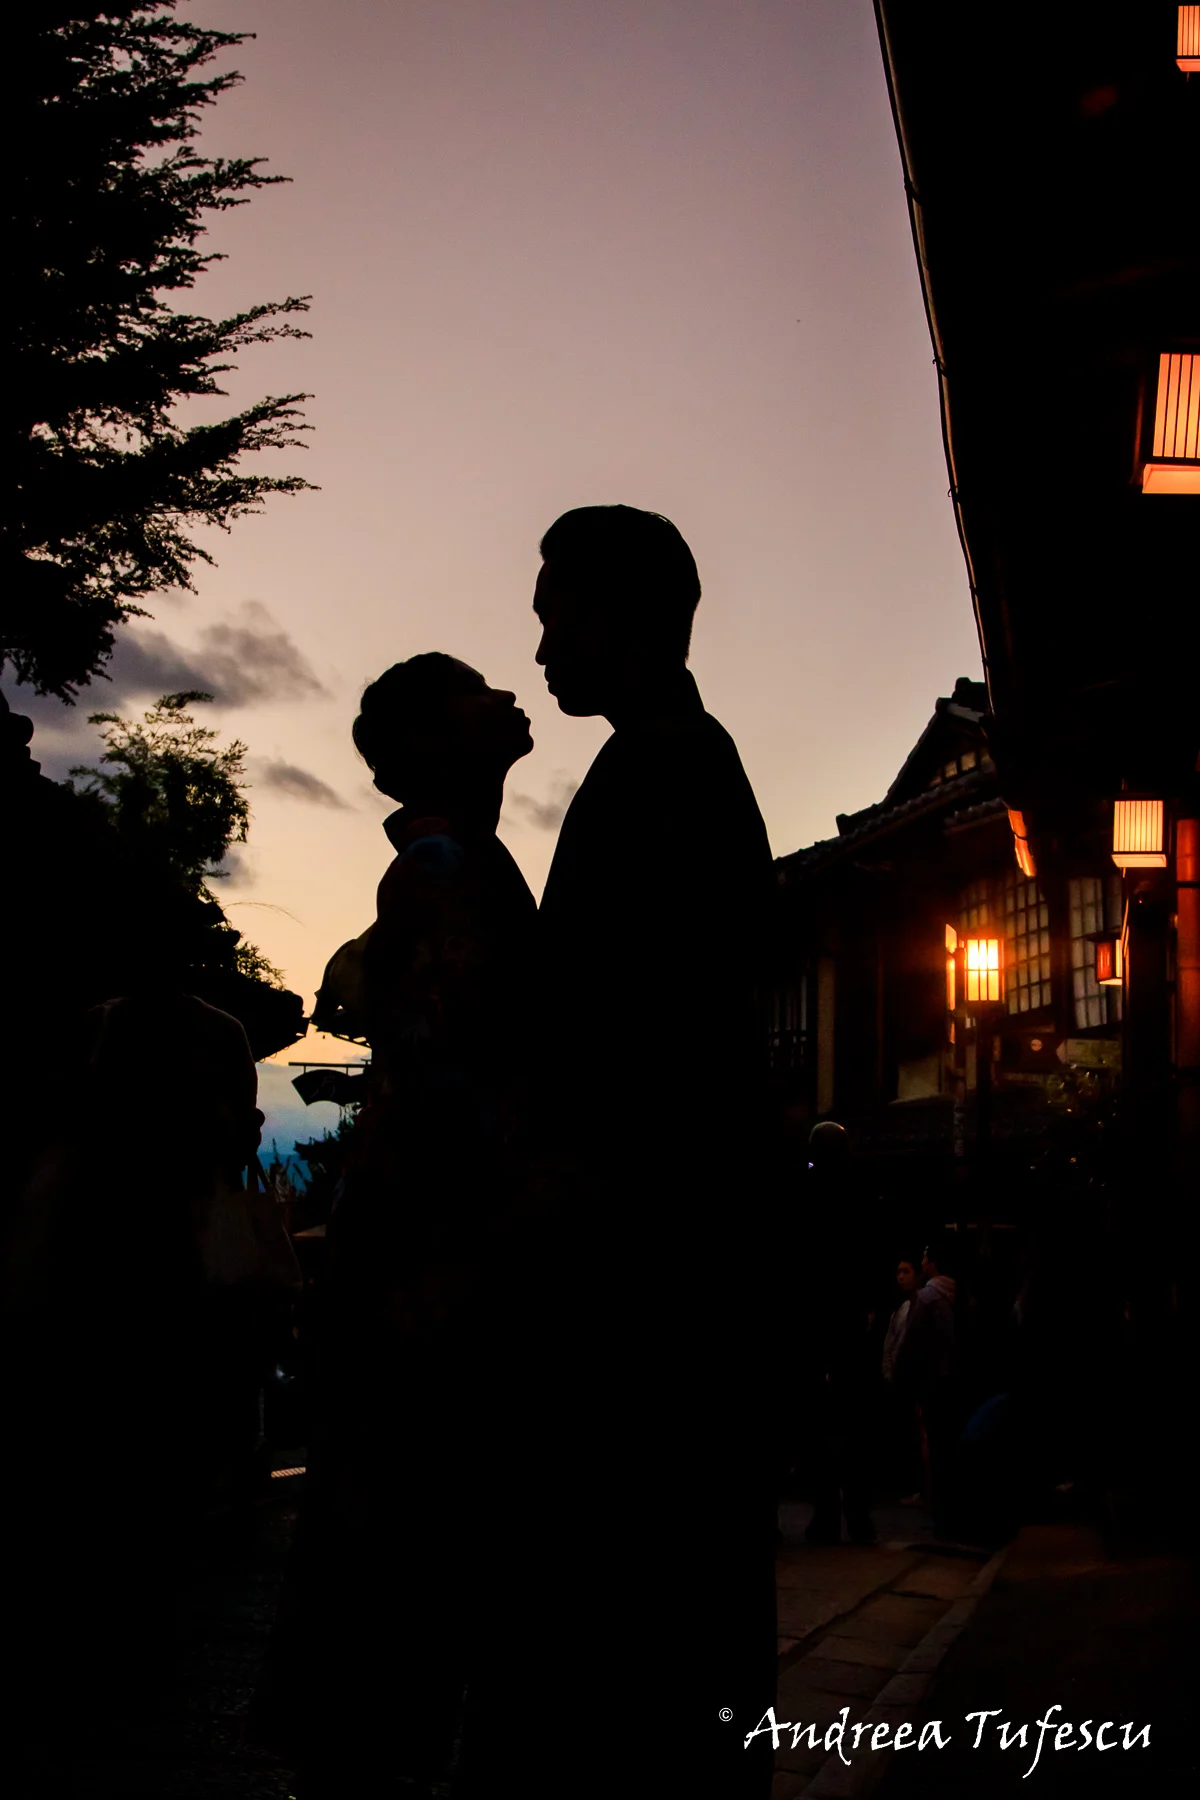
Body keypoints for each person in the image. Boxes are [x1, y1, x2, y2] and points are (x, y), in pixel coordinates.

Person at [461, 506, 778, 1799]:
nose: (539, 644)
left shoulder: (663, 773)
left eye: (557, 614)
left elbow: (616, 1027)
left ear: (622, 619)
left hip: (638, 1262)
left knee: (636, 1621)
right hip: (666, 1249)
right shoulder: (678, 764)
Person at [257, 654, 538, 1798]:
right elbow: (444, 1076)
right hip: (436, 1263)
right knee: (410, 1561)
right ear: (431, 742)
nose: (507, 698)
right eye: (476, 693)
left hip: (419, 1253)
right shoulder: (443, 869)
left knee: (394, 1556)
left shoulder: (448, 861)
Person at [799, 1122, 880, 1546]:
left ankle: (827, 1513)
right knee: (856, 1419)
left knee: (815, 1420)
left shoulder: (807, 1192)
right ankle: (858, 1515)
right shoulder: (862, 1192)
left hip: (814, 1317)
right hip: (850, 1319)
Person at [894, 1231, 962, 1534]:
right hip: (955, 1380)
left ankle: (941, 1512)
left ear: (931, 1264)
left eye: (923, 1258)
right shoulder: (961, 1295)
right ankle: (952, 1507)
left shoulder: (927, 1297)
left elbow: (909, 1343)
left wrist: (898, 1372)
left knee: (933, 1446)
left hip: (932, 1381)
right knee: (950, 1444)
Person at [881, 1255, 923, 1503]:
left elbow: (902, 1345)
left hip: (907, 1378)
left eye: (906, 1271)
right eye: (899, 1272)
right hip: (896, 1375)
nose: (901, 1277)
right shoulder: (902, 1305)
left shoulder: (915, 1305)